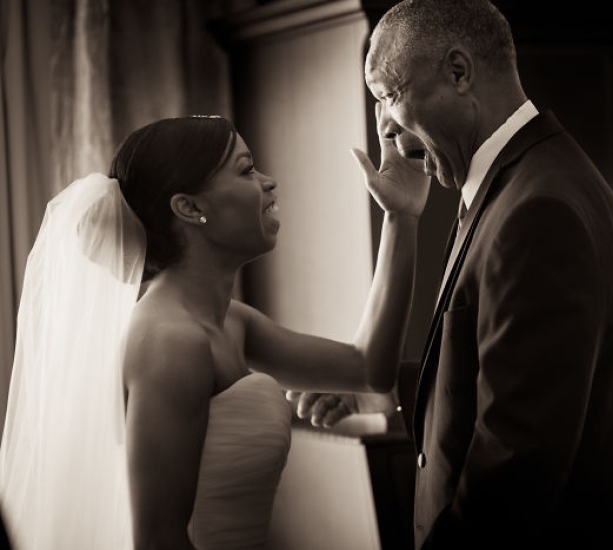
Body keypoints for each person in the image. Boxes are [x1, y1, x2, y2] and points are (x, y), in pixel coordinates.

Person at [292, 1, 613, 548]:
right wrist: (389, 394)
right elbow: (512, 368)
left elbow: (515, 464)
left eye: (389, 96)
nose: (386, 129)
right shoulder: (516, 185)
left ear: (458, 71)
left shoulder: (538, 212)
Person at [0, 114, 429, 550]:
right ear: (190, 207)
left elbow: (368, 370)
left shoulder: (231, 321)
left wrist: (402, 217)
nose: (269, 181)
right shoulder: (171, 341)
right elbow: (159, 540)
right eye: (246, 170)